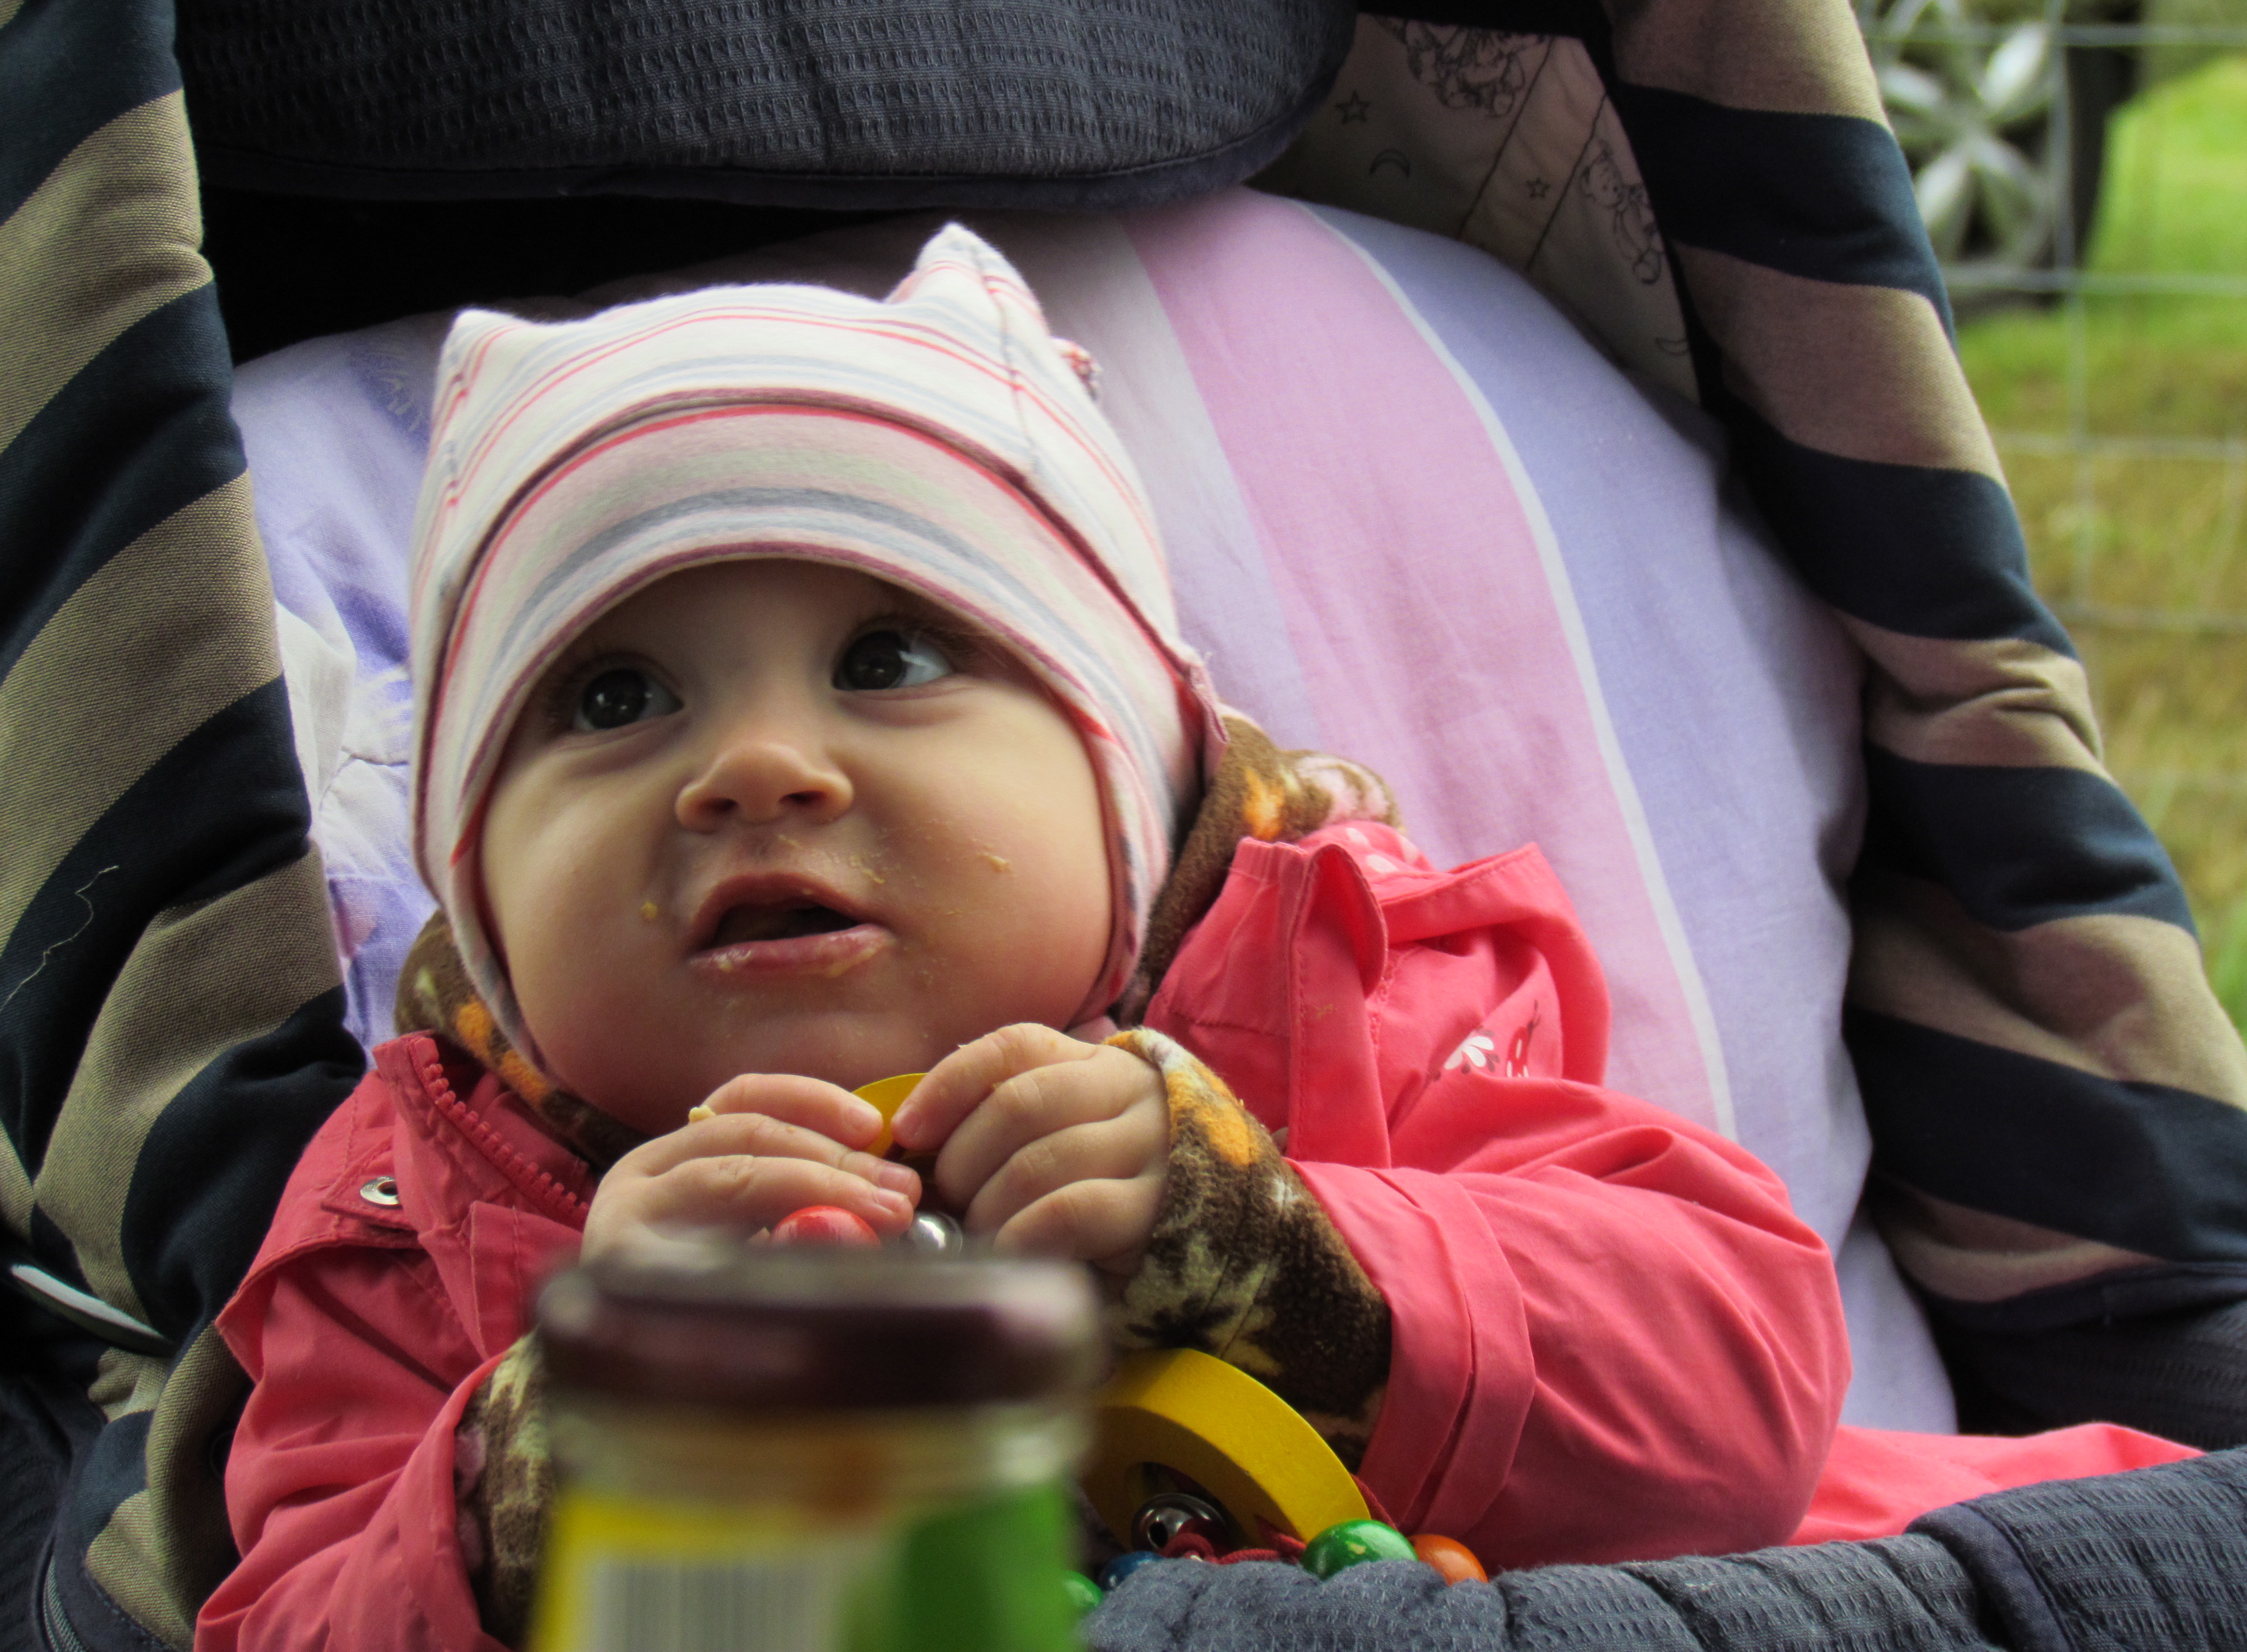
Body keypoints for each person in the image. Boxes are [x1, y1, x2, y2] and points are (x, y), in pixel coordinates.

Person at [196, 226, 2192, 1652]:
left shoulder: (1328, 994)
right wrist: (557, 1453)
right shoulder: (418, 1219)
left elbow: (1744, 1383)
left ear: (1128, 785)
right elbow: (286, 1614)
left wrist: (1290, 1252)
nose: (756, 769)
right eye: (612, 700)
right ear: (479, 886)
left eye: (888, 658)